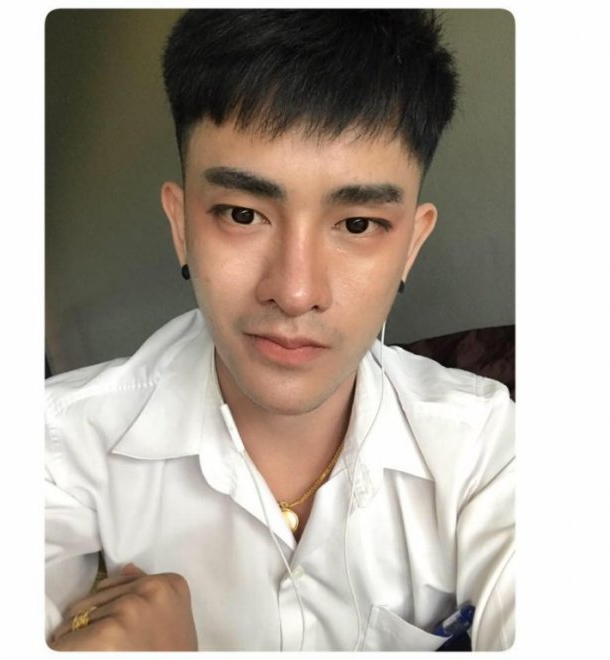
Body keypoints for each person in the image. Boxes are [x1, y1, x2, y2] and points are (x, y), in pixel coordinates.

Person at [45, 9, 514, 652]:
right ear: (181, 226)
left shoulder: (489, 450)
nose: (295, 292)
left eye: (357, 225)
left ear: (411, 244)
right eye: (242, 214)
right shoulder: (55, 442)